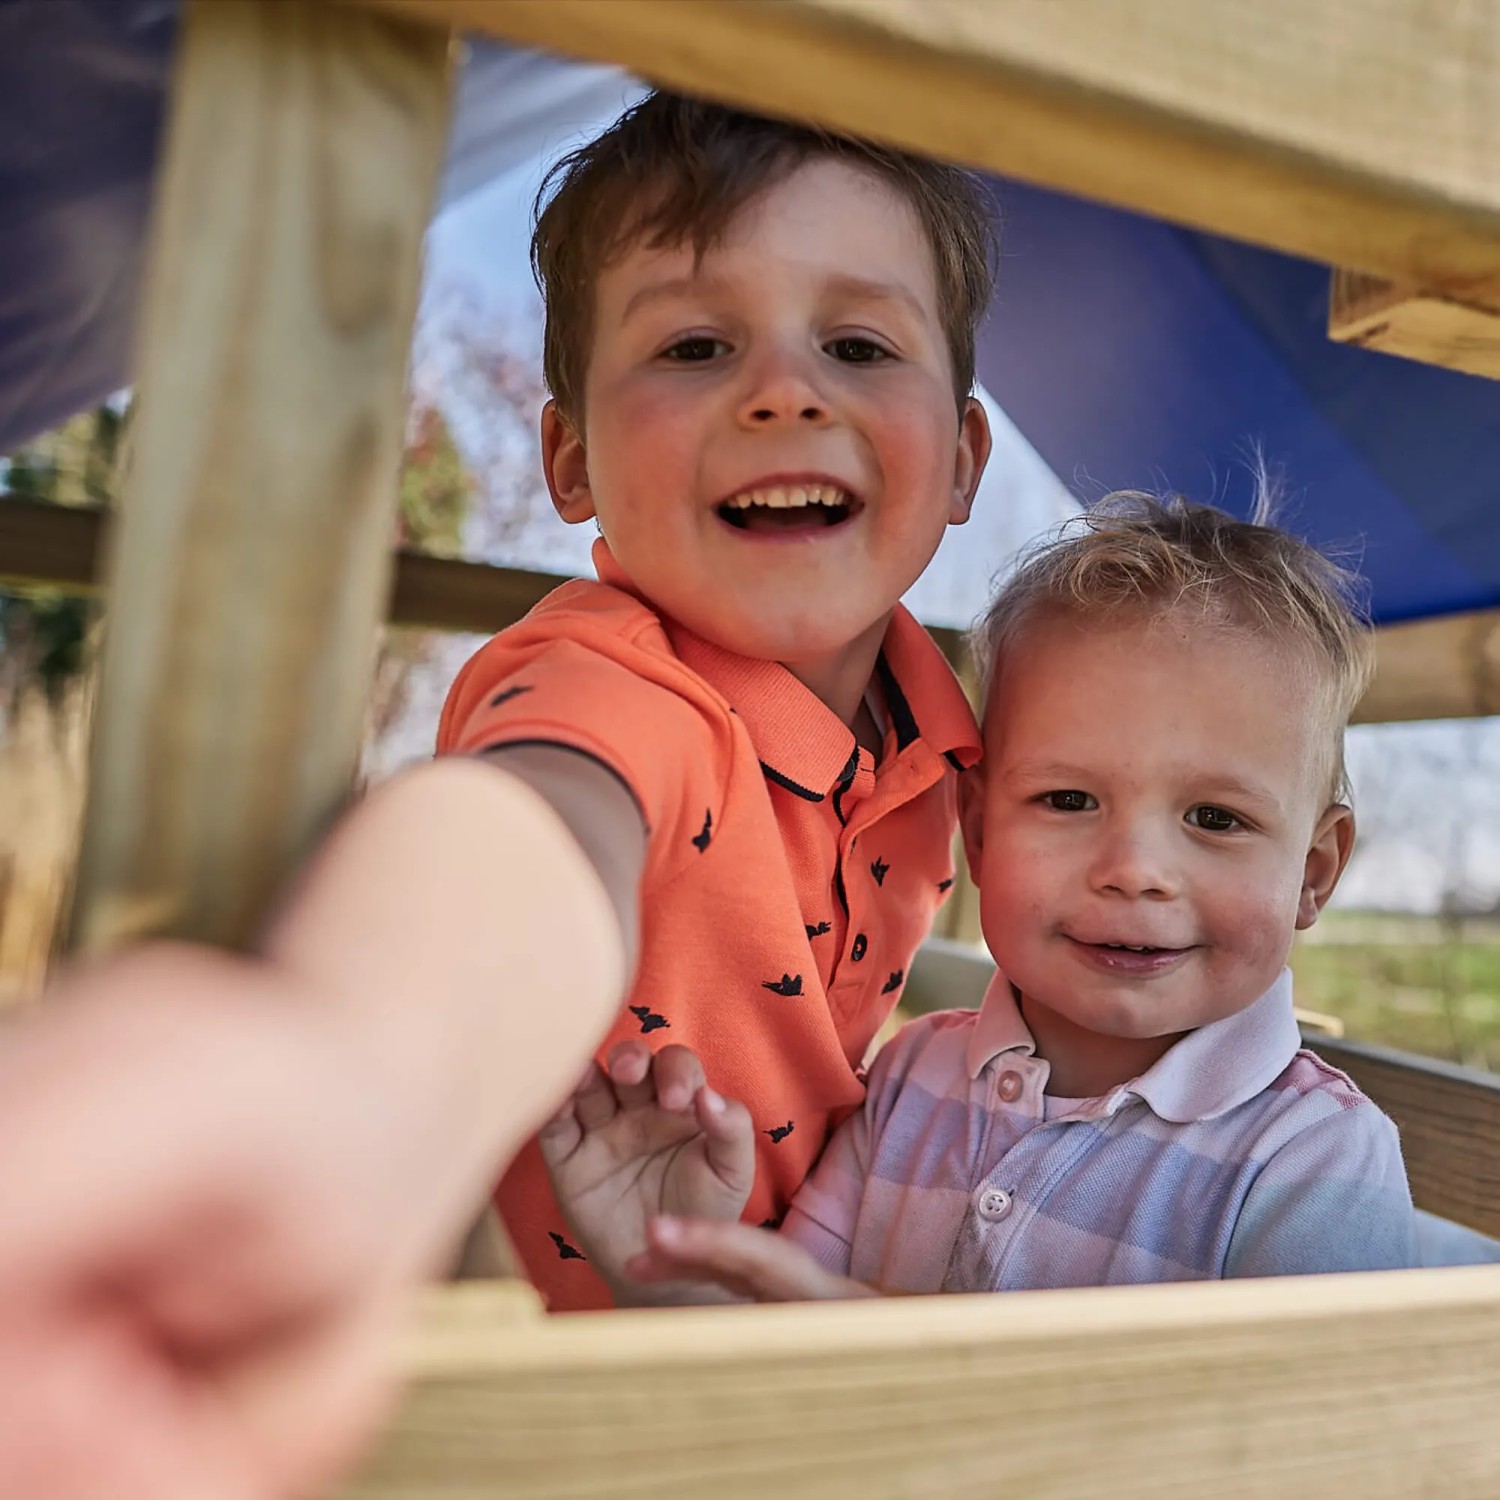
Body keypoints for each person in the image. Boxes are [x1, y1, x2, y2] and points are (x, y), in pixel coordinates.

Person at [0, 91, 994, 1495]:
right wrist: (352, 1077)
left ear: (962, 462)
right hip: (553, 1432)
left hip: (773, 1382)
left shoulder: (953, 740)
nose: (785, 390)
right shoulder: (618, 683)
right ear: (571, 459)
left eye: (859, 345)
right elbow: (531, 843)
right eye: (695, 346)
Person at [540, 495, 1419, 1306]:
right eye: (1068, 800)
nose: (1134, 869)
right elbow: (788, 1361)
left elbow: (1307, 1428)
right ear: (981, 832)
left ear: (1314, 871)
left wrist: (859, 1328)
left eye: (1216, 818)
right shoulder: (909, 1079)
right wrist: (679, 1270)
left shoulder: (1315, 1161)